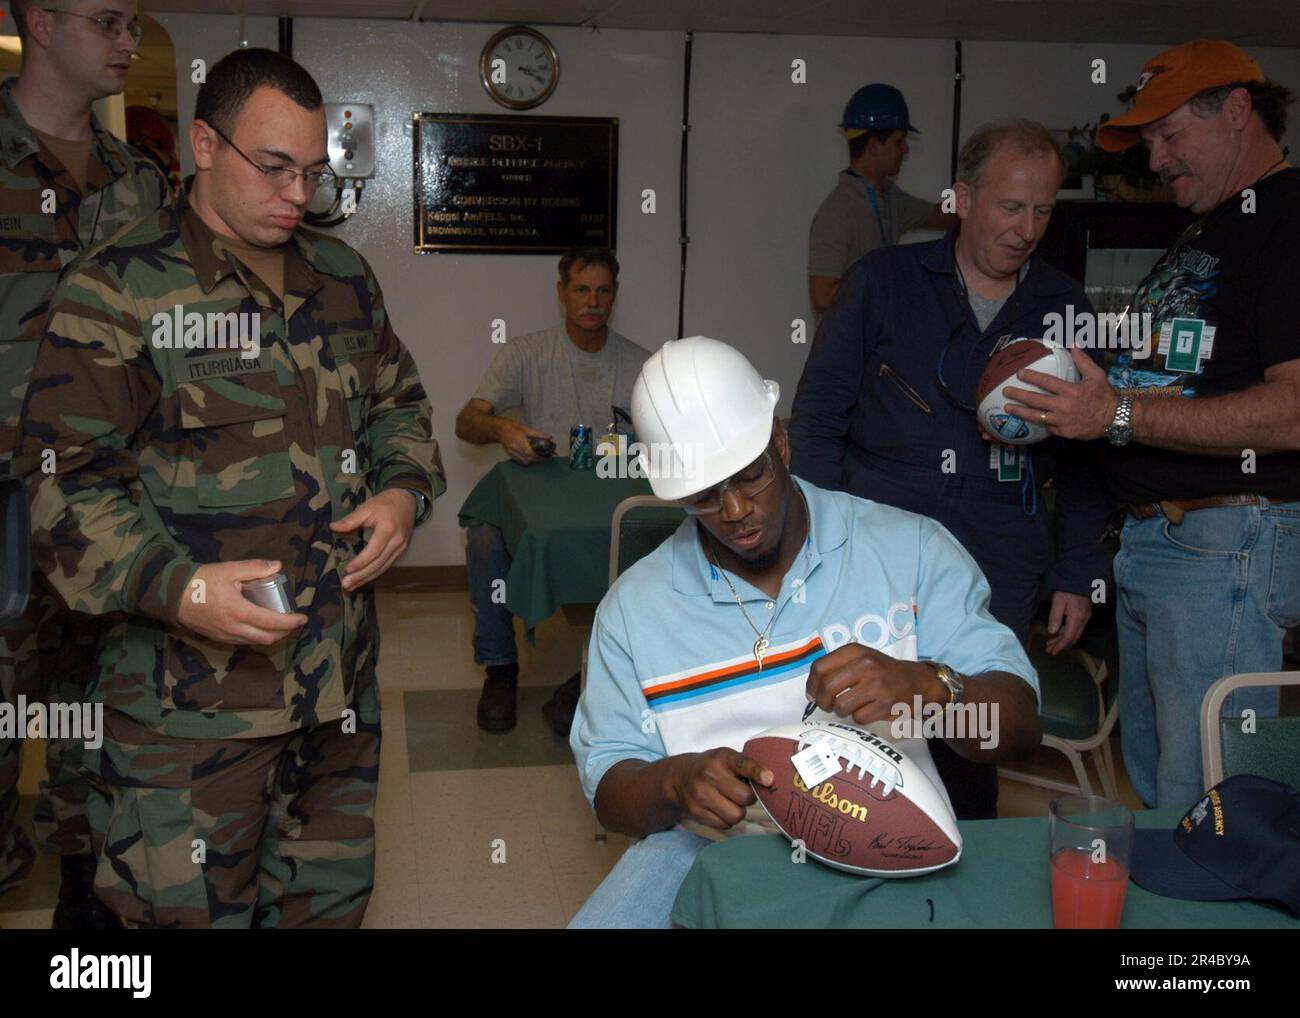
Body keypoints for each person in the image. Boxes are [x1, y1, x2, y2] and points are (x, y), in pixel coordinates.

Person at [16, 47, 444, 928]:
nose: (297, 195)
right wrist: (178, 585)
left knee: (328, 907)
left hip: (337, 694)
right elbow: (61, 493)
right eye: (275, 168)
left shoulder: (343, 282)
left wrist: (403, 492)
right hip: (190, 716)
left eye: (313, 174)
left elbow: (400, 406)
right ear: (204, 146)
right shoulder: (119, 292)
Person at [568, 336, 1042, 928]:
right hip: (711, 853)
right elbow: (611, 791)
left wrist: (931, 690)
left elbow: (1019, 725)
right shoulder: (633, 610)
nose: (735, 510)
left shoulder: (909, 552)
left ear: (782, 442)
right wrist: (674, 782)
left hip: (884, 847)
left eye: (748, 476)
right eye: (703, 497)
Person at [1002, 41, 1300, 809]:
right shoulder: (1211, 223)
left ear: (1236, 110)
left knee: (1213, 806)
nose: (1157, 159)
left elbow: (1294, 408)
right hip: (1158, 546)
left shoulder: (1287, 218)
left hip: (1222, 543)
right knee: (1163, 789)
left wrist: (1116, 413)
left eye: (1169, 136)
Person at [789, 119, 1112, 820]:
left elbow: (1086, 460)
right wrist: (817, 547)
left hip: (1001, 554)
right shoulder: (882, 282)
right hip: (876, 548)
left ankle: (956, 868)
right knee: (855, 724)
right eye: (1010, 206)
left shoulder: (1064, 307)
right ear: (962, 198)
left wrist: (1078, 574)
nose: (1028, 228)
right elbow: (816, 420)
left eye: (1044, 209)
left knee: (972, 731)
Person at [0, 0, 169, 927]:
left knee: (95, 731)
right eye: (108, 20)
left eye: (135, 23)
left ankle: (84, 924)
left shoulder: (139, 183)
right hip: (4, 509)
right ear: (40, 19)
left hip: (108, 504)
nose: (129, 42)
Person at [455, 248, 649, 735]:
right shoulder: (525, 353)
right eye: (581, 289)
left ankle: (601, 674)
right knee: (483, 533)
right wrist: (503, 428)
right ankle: (500, 669)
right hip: (539, 501)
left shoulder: (643, 365)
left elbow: (672, 444)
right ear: (562, 293)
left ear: (616, 296)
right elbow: (466, 421)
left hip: (614, 502)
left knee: (671, 538)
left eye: (604, 290)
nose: (593, 301)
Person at [807, 83, 955, 316]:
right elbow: (822, 296)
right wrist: (889, 282)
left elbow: (943, 216)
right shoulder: (838, 211)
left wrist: (983, 200)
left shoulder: (890, 198)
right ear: (875, 146)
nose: (905, 150)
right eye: (899, 141)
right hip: (850, 350)